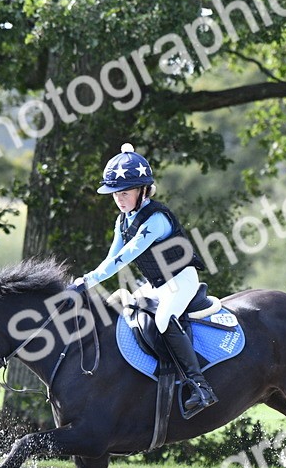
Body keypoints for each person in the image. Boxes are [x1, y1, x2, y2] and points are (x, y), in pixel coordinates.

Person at [72, 143, 218, 419]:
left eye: (125, 193)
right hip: (157, 283)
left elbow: (126, 257)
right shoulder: (124, 220)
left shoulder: (157, 219)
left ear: (142, 190)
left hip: (180, 279)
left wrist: (88, 281)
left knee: (162, 319)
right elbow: (111, 257)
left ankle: (200, 386)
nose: (119, 199)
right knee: (125, 309)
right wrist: (86, 280)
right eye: (115, 194)